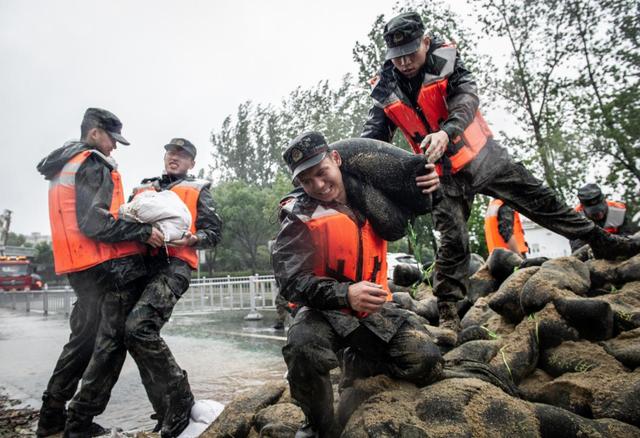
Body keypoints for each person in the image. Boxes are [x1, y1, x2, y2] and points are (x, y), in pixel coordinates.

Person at [361, 11, 640, 335]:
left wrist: (446, 131)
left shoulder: (446, 61)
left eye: (411, 52)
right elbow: (375, 134)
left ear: (425, 41)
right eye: (398, 57)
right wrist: (363, 162)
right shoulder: (385, 87)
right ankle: (449, 313)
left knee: (540, 199)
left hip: (481, 156)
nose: (405, 62)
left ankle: (601, 242)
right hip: (441, 173)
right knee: (452, 240)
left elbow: (466, 98)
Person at [272, 131, 443, 438]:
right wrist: (345, 294)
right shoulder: (297, 214)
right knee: (302, 349)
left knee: (426, 359)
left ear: (336, 160)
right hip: (324, 311)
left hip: (373, 310)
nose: (319, 186)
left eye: (322, 173)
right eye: (307, 181)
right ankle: (318, 425)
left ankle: (358, 362)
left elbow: (416, 201)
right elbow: (290, 280)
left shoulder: (371, 195)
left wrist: (431, 186)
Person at [35, 108, 164, 437]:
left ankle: (52, 416)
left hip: (76, 265)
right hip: (99, 265)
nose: (114, 148)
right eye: (112, 139)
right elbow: (93, 222)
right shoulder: (92, 163)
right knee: (110, 342)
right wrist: (141, 232)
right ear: (94, 134)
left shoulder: (65, 163)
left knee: (83, 341)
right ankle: (78, 422)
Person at [125, 138, 222, 437]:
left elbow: (214, 231)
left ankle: (180, 400)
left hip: (175, 264)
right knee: (133, 336)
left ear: (192, 163)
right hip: (140, 267)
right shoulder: (143, 188)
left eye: (182, 155)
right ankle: (164, 410)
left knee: (138, 328)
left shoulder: (198, 189)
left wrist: (195, 239)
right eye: (170, 152)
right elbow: (126, 216)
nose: (174, 157)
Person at [570, 183, 638, 251]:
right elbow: (576, 247)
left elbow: (627, 236)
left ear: (604, 201)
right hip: (592, 250)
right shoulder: (576, 218)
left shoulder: (618, 210)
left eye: (601, 209)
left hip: (618, 245)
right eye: (593, 213)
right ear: (583, 207)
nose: (598, 214)